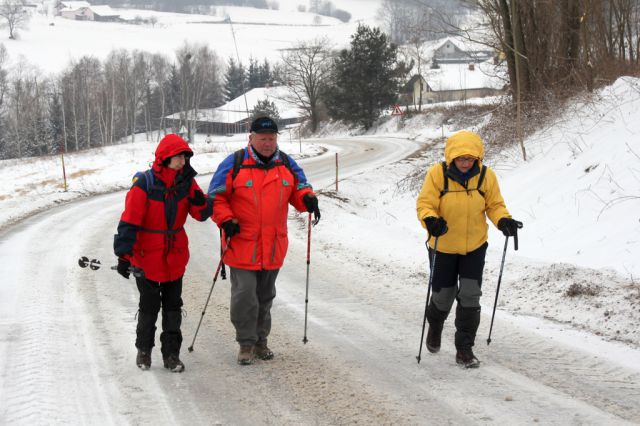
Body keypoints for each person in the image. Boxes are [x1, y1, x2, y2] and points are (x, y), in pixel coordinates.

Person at [208, 116, 321, 365]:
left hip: (273, 245)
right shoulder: (234, 162)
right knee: (244, 296)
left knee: (265, 296)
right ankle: (245, 344)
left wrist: (308, 199)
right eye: (263, 138)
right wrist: (225, 219)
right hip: (241, 243)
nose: (268, 143)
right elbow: (215, 196)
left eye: (272, 138)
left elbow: (301, 188)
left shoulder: (287, 164)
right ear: (251, 138)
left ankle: (261, 341)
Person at [416, 130, 522, 368]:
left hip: (474, 246)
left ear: (478, 158)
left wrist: (503, 220)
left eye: (470, 159)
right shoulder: (437, 175)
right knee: (443, 296)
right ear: (451, 158)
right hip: (443, 245)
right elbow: (425, 204)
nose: (465, 163)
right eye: (461, 159)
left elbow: (495, 205)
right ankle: (435, 325)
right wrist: (431, 220)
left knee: (470, 296)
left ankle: (464, 349)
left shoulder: (486, 176)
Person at [113, 133, 213, 372]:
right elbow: (129, 220)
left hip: (175, 257)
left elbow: (200, 215)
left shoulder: (187, 182)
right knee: (149, 307)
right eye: (178, 157)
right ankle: (144, 351)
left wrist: (205, 201)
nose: (182, 161)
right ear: (164, 158)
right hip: (146, 258)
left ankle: (171, 355)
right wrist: (123, 256)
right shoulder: (145, 184)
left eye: (185, 157)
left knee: (172, 307)